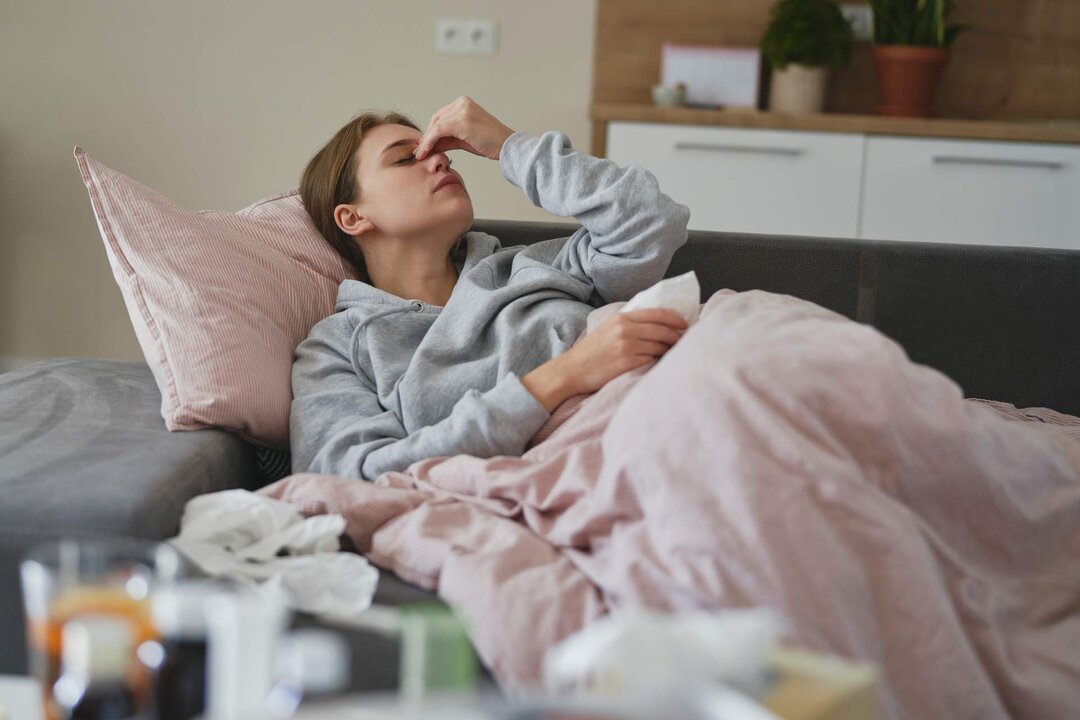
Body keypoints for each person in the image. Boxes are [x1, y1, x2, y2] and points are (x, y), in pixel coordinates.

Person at [290, 96, 692, 481]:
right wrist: (563, 376)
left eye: (440, 153)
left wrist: (507, 144)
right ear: (352, 217)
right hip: (581, 472)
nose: (440, 161)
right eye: (406, 157)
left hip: (667, 413)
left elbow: (652, 221)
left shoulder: (533, 266)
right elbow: (344, 475)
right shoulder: (339, 347)